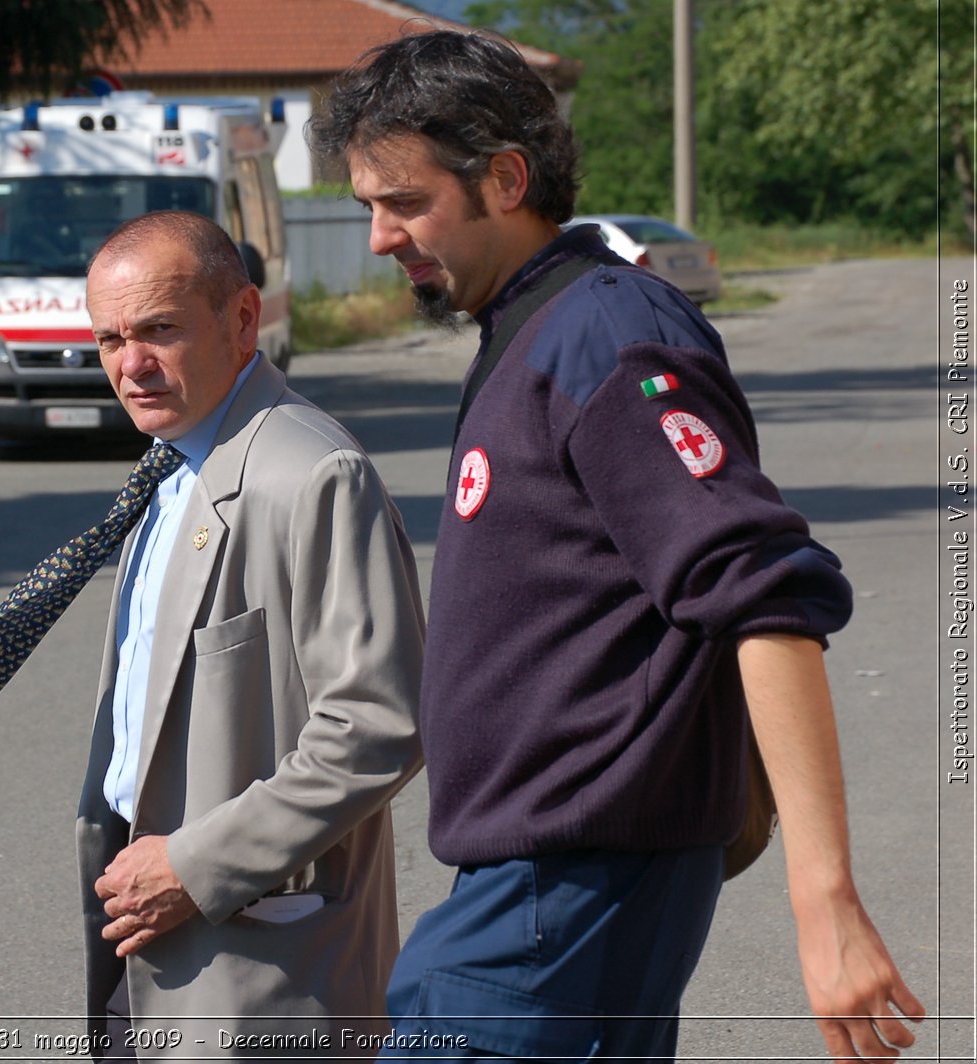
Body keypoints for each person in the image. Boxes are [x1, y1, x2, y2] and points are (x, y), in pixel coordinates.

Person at [307, 29, 925, 1064]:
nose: (379, 237)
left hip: (557, 906)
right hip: (537, 896)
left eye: (403, 201)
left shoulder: (604, 335)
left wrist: (825, 905)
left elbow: (759, 597)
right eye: (369, 204)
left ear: (504, 178)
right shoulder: (532, 326)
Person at [79, 210, 424, 1058]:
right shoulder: (174, 461)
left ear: (242, 320)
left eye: (160, 329)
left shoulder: (310, 473)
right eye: (109, 339)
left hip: (254, 950)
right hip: (141, 918)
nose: (131, 365)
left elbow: (378, 728)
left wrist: (195, 868)